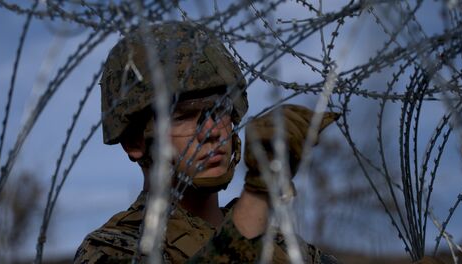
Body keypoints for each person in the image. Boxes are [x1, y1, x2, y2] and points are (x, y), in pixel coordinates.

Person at [74, 21, 340, 264]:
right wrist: (258, 193)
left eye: (220, 110)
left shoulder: (280, 246)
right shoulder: (114, 249)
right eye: (184, 117)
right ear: (135, 142)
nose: (212, 131)